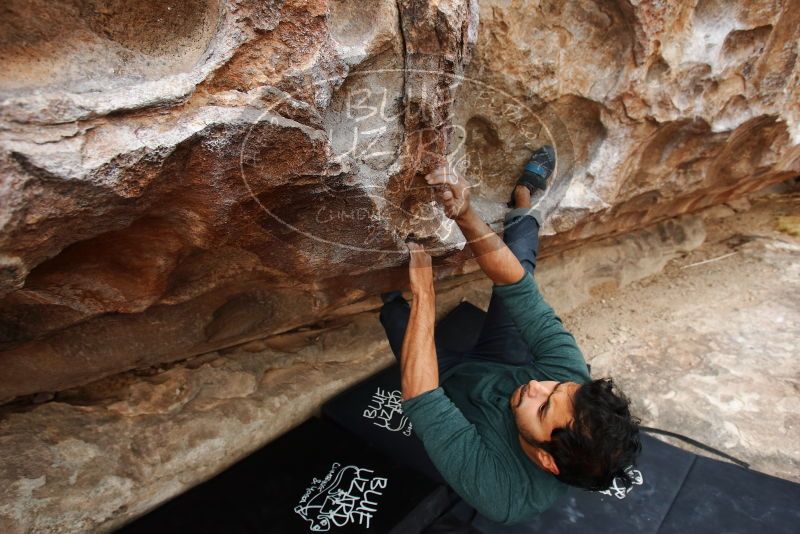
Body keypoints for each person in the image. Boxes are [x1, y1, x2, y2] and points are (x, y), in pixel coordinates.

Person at [379, 147, 641, 524]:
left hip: (448, 395)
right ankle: (523, 197)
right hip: (502, 362)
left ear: (547, 459)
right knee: (519, 261)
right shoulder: (572, 384)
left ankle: (384, 290)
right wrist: (465, 214)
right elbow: (516, 285)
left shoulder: (504, 493)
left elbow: (423, 398)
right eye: (556, 387)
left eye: (545, 407)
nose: (538, 386)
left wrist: (424, 293)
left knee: (398, 318)